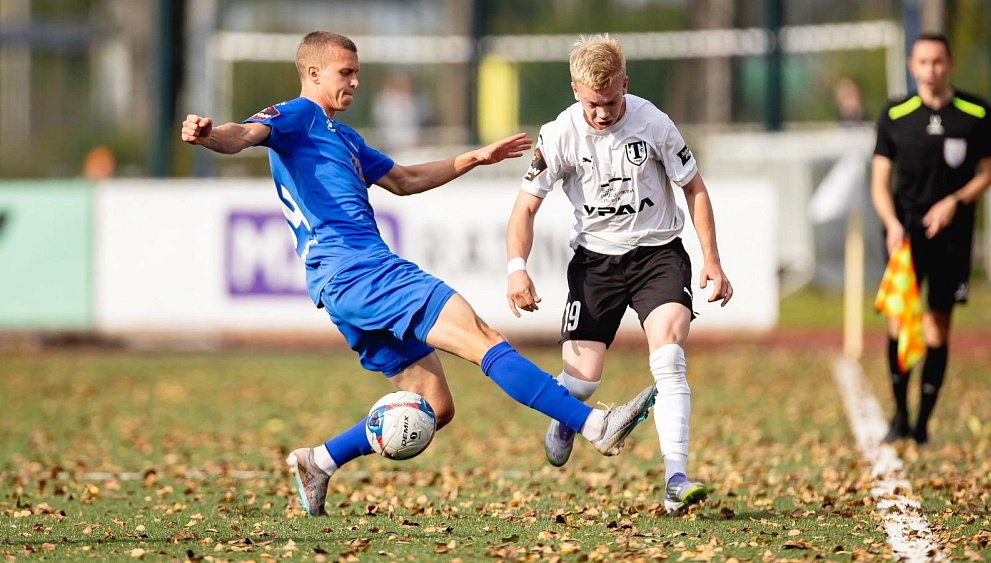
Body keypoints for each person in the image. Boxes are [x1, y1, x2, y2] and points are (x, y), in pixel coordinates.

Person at [180, 31, 658, 517]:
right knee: (483, 338)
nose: (356, 81)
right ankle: (594, 426)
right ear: (313, 73)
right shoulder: (297, 116)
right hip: (360, 269)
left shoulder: (343, 136)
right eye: (346, 72)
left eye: (356, 71)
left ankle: (319, 461)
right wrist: (209, 135)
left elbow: (403, 181)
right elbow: (242, 134)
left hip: (342, 287)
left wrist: (472, 158)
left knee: (434, 405)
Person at [506, 34, 733, 515]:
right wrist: (517, 268)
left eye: (611, 101)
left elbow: (694, 189)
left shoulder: (654, 123)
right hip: (595, 263)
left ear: (625, 85)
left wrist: (711, 259)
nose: (603, 113)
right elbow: (524, 209)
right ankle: (567, 416)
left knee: (669, 359)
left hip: (658, 255)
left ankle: (675, 476)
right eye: (593, 104)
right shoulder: (559, 134)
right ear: (574, 90)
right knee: (583, 382)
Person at [871, 32, 991, 445]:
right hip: (903, 236)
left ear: (950, 64)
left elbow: (986, 174)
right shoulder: (895, 113)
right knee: (900, 320)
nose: (931, 70)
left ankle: (923, 422)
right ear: (912, 66)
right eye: (923, 62)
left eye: (938, 62)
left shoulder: (977, 113)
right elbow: (879, 181)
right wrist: (890, 222)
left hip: (952, 238)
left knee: (938, 325)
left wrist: (953, 203)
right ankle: (899, 415)